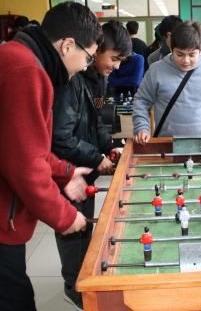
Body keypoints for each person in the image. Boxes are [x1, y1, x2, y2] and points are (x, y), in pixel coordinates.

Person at [0, 1, 101, 311]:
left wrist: (64, 172)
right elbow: (24, 166)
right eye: (88, 57)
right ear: (67, 45)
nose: (86, 66)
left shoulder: (19, 59)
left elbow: (27, 146)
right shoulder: (26, 70)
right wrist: (65, 215)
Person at [51, 19, 131, 310]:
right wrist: (95, 158)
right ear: (95, 50)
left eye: (121, 61)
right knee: (70, 228)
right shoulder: (70, 79)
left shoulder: (100, 79)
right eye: (113, 59)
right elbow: (59, 136)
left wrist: (109, 147)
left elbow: (98, 121)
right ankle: (73, 286)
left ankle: (85, 276)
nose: (117, 66)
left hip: (86, 166)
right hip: (65, 171)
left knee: (84, 224)